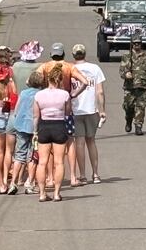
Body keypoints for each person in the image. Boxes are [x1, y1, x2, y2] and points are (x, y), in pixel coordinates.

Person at [33, 63, 71, 202]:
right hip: (59, 125)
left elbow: (36, 115)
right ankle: (56, 193)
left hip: (44, 126)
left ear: (47, 80)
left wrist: (35, 131)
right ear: (60, 80)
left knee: (42, 162)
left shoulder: (39, 95)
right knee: (59, 162)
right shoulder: (65, 94)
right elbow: (67, 112)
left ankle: (42, 193)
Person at [70, 44, 106, 184]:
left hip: (76, 110)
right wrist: (102, 110)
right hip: (91, 109)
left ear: (74, 55)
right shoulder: (95, 68)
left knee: (79, 142)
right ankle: (96, 174)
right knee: (91, 141)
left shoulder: (71, 69)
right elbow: (100, 91)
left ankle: (83, 175)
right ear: (84, 54)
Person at [7, 71, 44, 195]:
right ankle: (30, 183)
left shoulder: (23, 93)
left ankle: (13, 183)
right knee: (33, 156)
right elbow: (38, 113)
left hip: (21, 126)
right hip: (34, 128)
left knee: (19, 155)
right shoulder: (40, 95)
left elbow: (16, 110)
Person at [119, 35, 146, 136]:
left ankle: (138, 126)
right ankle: (128, 120)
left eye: (139, 43)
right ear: (132, 44)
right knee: (128, 107)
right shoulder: (127, 56)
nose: (137, 45)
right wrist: (126, 74)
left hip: (142, 86)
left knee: (141, 107)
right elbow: (122, 70)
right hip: (129, 87)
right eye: (135, 43)